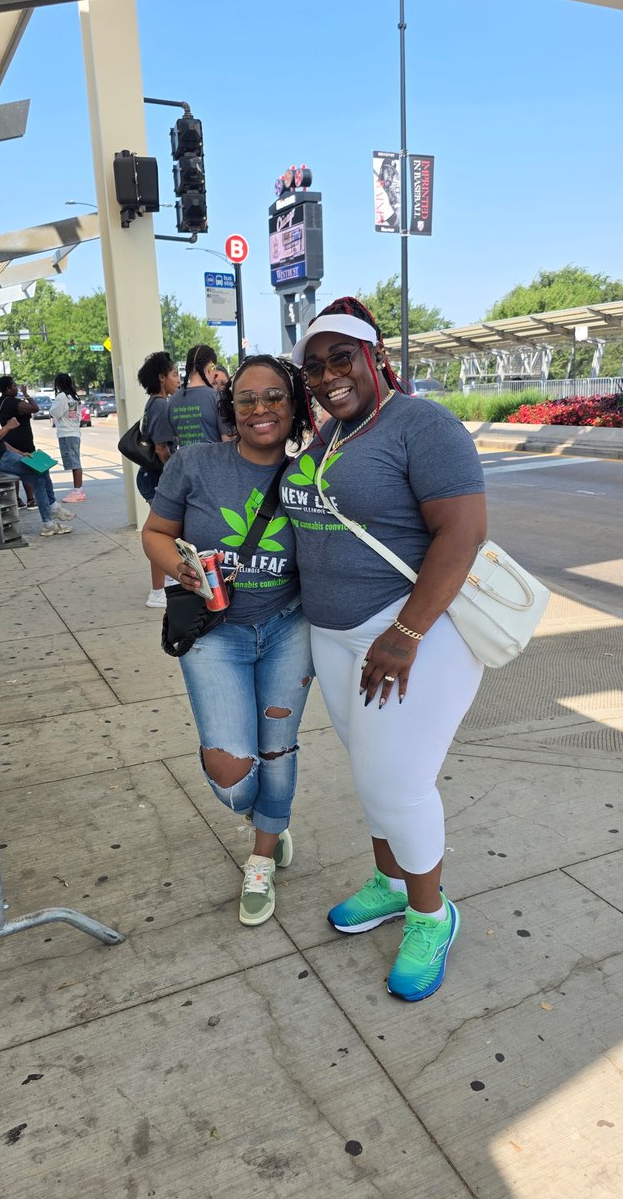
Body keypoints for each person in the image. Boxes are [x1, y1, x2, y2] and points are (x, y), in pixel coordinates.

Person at [283, 297, 487, 1003]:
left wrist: (404, 634)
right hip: (337, 637)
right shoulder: (330, 438)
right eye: (314, 366)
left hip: (410, 636)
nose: (329, 375)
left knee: (398, 783)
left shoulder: (420, 424)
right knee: (371, 775)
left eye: (342, 358)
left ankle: (433, 914)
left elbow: (462, 533)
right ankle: (391, 883)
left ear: (375, 359)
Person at [141, 355, 313, 927]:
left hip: (290, 626)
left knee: (278, 751)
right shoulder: (194, 464)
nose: (261, 409)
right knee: (233, 778)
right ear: (230, 408)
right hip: (215, 631)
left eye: (275, 397)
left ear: (294, 406)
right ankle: (264, 811)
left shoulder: (310, 472)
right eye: (247, 400)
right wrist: (181, 570)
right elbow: (156, 533)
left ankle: (262, 854)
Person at [0, 381, 74, 537]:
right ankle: (51, 514)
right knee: (39, 474)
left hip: (4, 455)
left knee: (40, 469)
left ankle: (50, 519)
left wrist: (19, 452)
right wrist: (8, 427)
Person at [135, 351, 181, 608]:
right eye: (174, 374)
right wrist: (172, 480)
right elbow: (162, 449)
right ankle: (157, 592)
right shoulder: (162, 405)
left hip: (150, 478)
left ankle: (167, 583)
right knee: (161, 535)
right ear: (162, 377)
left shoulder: (153, 402)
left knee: (168, 535)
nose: (178, 379)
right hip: (157, 480)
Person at [164, 344, 234, 447]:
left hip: (185, 461)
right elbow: (227, 441)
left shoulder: (172, 400)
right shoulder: (216, 398)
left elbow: (174, 439)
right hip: (214, 461)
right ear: (211, 367)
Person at [0, 376, 38, 507]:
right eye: (14, 386)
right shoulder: (15, 403)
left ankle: (15, 500)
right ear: (8, 389)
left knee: (13, 472)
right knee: (28, 469)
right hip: (23, 439)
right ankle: (30, 499)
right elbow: (34, 408)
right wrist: (27, 395)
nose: (16, 388)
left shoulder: (0, 402)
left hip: (8, 438)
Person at [49, 372, 85, 502]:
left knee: (74, 462)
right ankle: (78, 490)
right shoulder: (73, 397)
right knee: (75, 460)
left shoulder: (61, 397)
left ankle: (78, 491)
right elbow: (78, 415)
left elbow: (54, 412)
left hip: (66, 432)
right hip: (74, 432)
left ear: (58, 384)